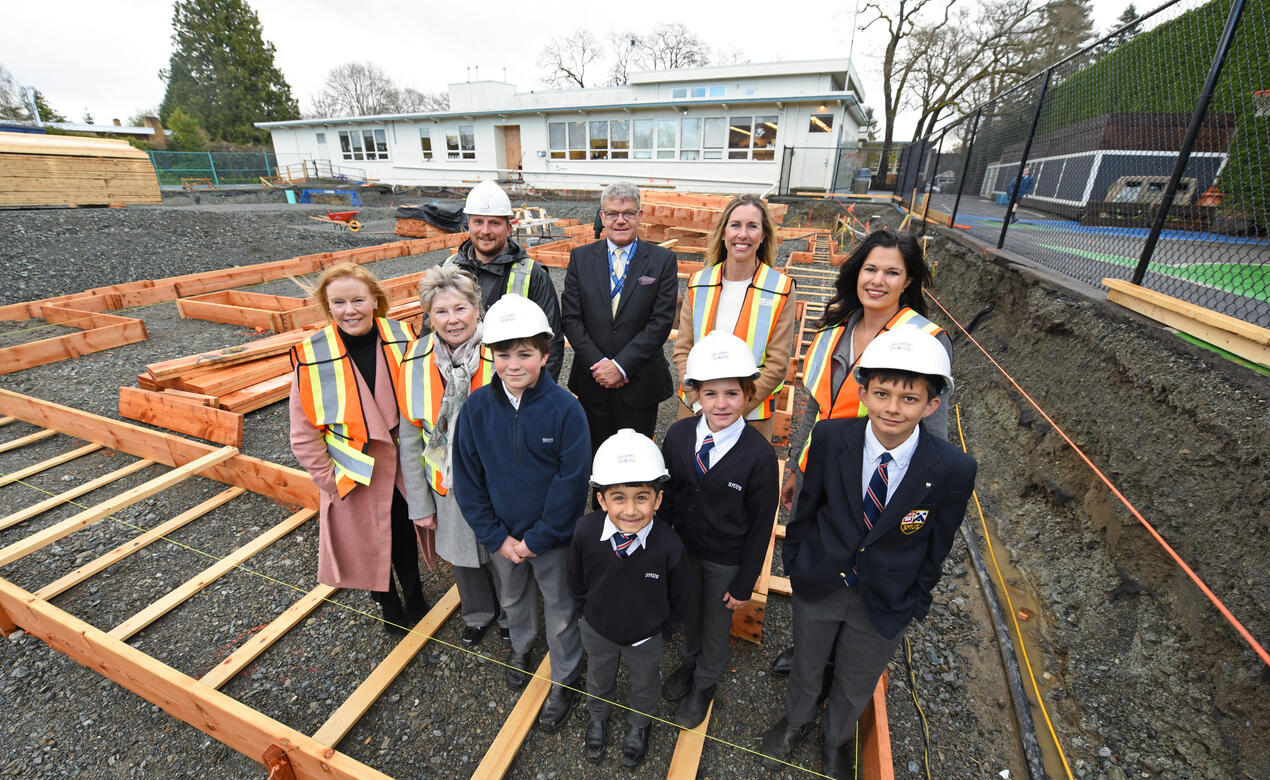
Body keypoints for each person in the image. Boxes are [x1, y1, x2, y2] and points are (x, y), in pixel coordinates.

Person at [759, 327, 976, 779]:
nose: (892, 408)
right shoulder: (833, 438)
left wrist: (915, 597)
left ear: (932, 406)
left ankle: (835, 736)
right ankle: (796, 720)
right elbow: (806, 510)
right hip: (820, 581)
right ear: (864, 392)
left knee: (857, 677)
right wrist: (797, 565)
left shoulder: (953, 468)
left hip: (886, 597)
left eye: (909, 399)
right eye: (881, 393)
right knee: (808, 661)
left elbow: (939, 541)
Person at [772, 227, 953, 676]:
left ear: (908, 281)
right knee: (815, 562)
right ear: (856, 272)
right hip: (821, 469)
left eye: (892, 272)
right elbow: (814, 405)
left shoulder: (924, 338)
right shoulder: (835, 331)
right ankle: (810, 649)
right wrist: (796, 465)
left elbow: (933, 430)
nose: (878, 280)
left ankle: (840, 658)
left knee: (859, 566)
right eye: (870, 268)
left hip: (874, 479)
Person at [452, 294, 591, 731]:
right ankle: (523, 645)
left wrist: (539, 538)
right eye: (504, 354)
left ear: (547, 356)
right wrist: (497, 538)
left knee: (561, 604)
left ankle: (566, 675)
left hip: (553, 540)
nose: (514, 365)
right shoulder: (476, 409)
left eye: (526, 354)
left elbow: (572, 483)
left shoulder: (566, 409)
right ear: (489, 355)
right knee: (512, 597)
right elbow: (468, 479)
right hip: (504, 539)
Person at [289, 263, 428, 636]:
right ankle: (389, 607)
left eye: (357, 300)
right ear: (327, 306)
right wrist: (329, 481)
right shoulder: (312, 355)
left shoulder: (402, 338)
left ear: (374, 301)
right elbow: (303, 433)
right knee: (369, 544)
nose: (349, 310)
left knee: (403, 535)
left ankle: (415, 597)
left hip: (400, 467)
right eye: (339, 302)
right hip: (352, 474)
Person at [660, 331, 779, 729]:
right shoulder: (678, 437)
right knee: (691, 613)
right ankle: (690, 663)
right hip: (683, 549)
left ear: (748, 394)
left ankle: (705, 683)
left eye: (732, 393)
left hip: (724, 560)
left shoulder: (759, 456)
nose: (721, 404)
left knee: (715, 623)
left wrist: (745, 582)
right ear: (695, 395)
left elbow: (762, 525)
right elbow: (668, 495)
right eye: (710, 394)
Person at [397, 264, 505, 648]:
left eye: (460, 309)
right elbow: (409, 440)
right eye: (441, 312)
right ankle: (478, 614)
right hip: (447, 484)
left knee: (503, 555)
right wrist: (420, 505)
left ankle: (511, 614)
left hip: (497, 484)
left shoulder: (502, 351)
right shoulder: (414, 360)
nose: (452, 319)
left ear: (478, 308)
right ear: (429, 317)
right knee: (463, 558)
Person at [568, 429, 687, 768]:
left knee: (645, 682)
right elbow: (575, 580)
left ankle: (639, 725)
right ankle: (597, 715)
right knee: (599, 675)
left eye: (641, 497)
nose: (631, 510)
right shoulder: (586, 532)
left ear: (658, 500)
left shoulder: (668, 545)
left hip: (646, 637)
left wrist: (662, 631)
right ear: (602, 500)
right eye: (618, 498)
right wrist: (585, 615)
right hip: (598, 629)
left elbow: (680, 597)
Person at [562, 182, 679, 456]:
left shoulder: (662, 260)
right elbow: (571, 317)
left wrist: (622, 366)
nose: (620, 220)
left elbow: (661, 322)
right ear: (602, 217)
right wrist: (600, 364)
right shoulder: (580, 258)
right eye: (613, 213)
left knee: (636, 460)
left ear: (640, 215)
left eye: (628, 213)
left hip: (639, 384)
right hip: (593, 382)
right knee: (596, 458)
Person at [671, 194, 796, 440]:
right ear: (724, 232)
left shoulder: (781, 288)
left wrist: (732, 411)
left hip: (751, 419)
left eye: (752, 226)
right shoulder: (698, 283)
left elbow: (777, 365)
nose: (743, 234)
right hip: (695, 413)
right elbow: (682, 350)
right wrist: (700, 403)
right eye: (736, 225)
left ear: (763, 236)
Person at [443, 180, 565, 379]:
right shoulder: (448, 268)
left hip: (512, 386)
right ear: (468, 224)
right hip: (458, 384)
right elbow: (430, 331)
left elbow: (550, 342)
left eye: (494, 223)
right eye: (478, 222)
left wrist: (538, 397)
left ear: (509, 228)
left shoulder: (533, 275)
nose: (485, 231)